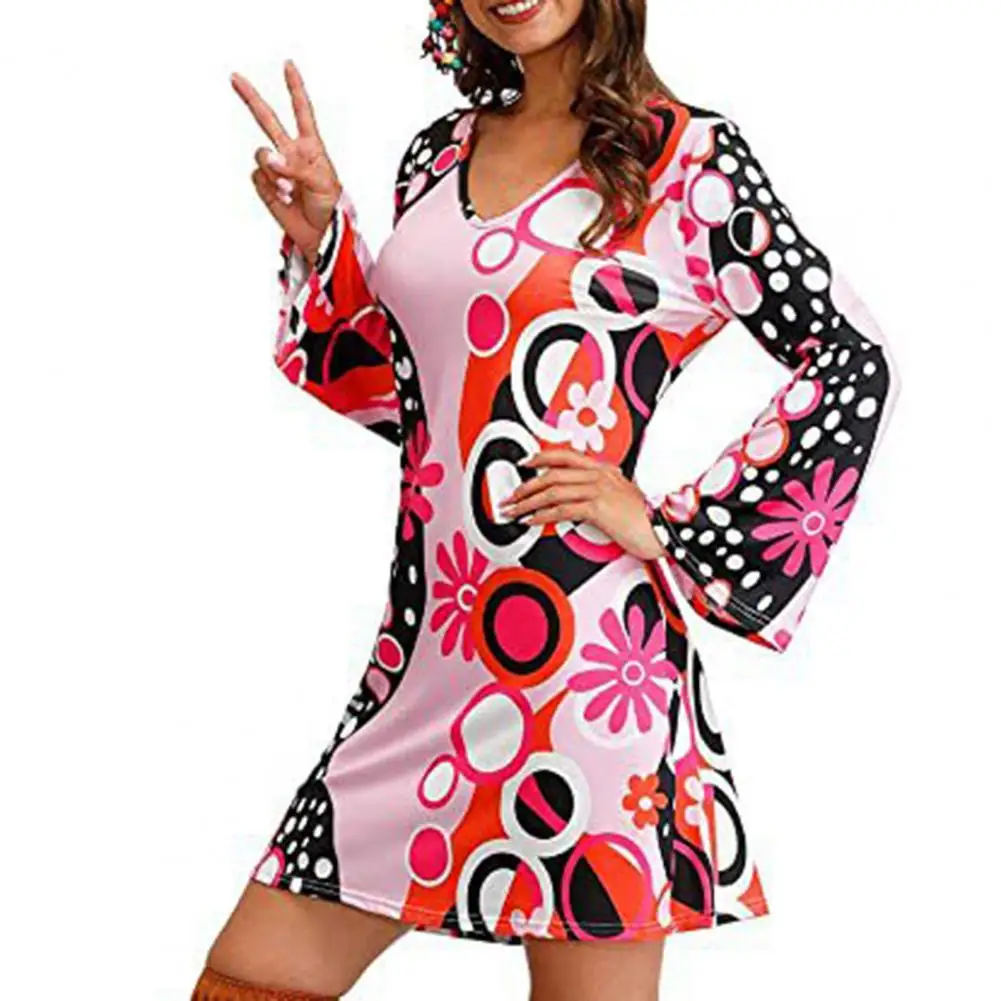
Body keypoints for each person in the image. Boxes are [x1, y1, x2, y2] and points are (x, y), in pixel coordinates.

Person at [197, 1, 900, 998]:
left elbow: (850, 357)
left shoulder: (683, 160)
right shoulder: (435, 155)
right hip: (421, 663)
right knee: (249, 975)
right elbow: (419, 393)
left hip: (583, 674)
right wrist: (324, 236)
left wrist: (666, 524)